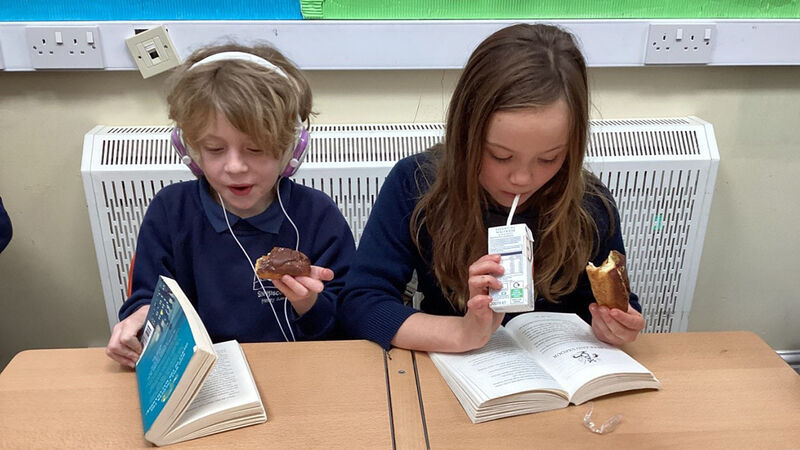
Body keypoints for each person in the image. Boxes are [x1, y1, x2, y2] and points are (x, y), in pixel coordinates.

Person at [338, 24, 645, 352]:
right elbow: (362, 303)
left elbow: (615, 306)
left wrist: (618, 325)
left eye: (549, 158)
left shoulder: (589, 204)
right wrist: (462, 333)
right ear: (464, 136)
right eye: (500, 156)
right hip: (452, 375)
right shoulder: (416, 183)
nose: (522, 179)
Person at [106, 44, 355, 368]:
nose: (235, 166)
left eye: (255, 149)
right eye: (214, 148)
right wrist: (141, 318)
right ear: (189, 149)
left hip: (303, 373)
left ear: (293, 149)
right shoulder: (170, 213)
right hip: (206, 378)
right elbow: (146, 298)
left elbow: (346, 326)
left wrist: (309, 303)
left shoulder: (318, 216)